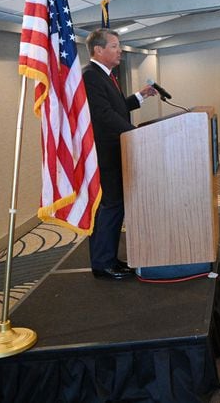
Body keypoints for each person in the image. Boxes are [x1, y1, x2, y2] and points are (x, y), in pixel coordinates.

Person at [82, 28, 158, 280]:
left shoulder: (105, 76)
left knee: (116, 206)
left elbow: (116, 107)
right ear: (99, 50)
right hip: (106, 155)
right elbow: (103, 116)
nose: (120, 50)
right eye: (115, 46)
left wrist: (140, 96)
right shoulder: (90, 76)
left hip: (117, 152)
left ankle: (109, 258)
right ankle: (103, 263)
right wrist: (134, 132)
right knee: (111, 206)